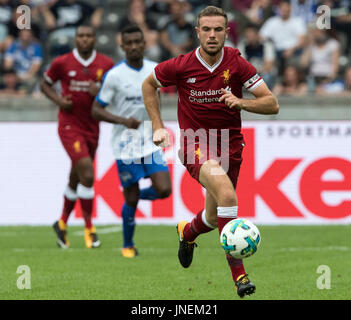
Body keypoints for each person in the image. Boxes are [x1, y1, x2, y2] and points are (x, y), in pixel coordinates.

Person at [142, 6, 279, 298]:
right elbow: (149, 84)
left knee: (216, 216)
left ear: (227, 32)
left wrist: (242, 103)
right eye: (207, 29)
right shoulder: (180, 65)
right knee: (228, 196)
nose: (213, 35)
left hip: (230, 146)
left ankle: (187, 232)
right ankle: (240, 277)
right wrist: (157, 125)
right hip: (195, 144)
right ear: (197, 32)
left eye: (218, 29)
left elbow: (271, 103)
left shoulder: (237, 64)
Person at [92, 25, 172, 258]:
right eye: (130, 43)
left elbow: (157, 99)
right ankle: (128, 245)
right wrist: (122, 120)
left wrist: (158, 123)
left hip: (150, 141)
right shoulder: (114, 76)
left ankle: (134, 198)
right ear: (122, 46)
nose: (134, 46)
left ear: (144, 43)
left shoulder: (153, 70)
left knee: (164, 189)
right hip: (125, 145)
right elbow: (96, 109)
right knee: (131, 198)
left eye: (138, 41)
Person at [40, 25, 114, 249]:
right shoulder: (62, 62)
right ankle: (89, 228)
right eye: (81, 36)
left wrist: (99, 91)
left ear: (94, 39)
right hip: (69, 126)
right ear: (75, 39)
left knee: (76, 177)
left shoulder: (106, 64)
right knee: (88, 174)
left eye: (88, 35)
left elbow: (112, 94)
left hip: (92, 126)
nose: (84, 39)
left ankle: (61, 223)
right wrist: (59, 101)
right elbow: (44, 85)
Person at [259, 0, 307, 75]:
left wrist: (292, 49)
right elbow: (261, 37)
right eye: (282, 7)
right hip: (276, 52)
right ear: (279, 9)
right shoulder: (272, 22)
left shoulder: (297, 21)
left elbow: (302, 40)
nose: (285, 9)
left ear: (291, 8)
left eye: (287, 7)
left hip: (294, 52)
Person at [4, 29, 43, 93]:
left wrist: (27, 76)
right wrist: (15, 76)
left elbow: (36, 66)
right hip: (14, 75)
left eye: (27, 35)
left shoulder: (37, 47)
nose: (25, 37)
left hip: (29, 75)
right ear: (19, 35)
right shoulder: (13, 46)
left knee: (32, 81)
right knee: (8, 78)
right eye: (23, 34)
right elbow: (7, 65)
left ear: (31, 35)